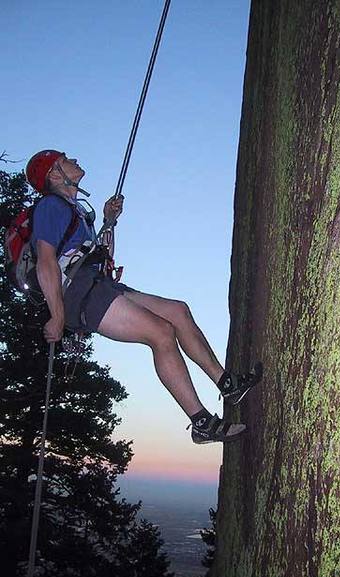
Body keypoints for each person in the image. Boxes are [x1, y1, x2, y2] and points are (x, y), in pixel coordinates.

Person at [26, 150, 262, 444]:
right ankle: (201, 422)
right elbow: (46, 262)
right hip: (80, 294)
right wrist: (57, 315)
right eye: (66, 159)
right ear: (55, 174)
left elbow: (95, 254)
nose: (74, 159)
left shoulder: (75, 211)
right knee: (161, 333)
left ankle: (227, 384)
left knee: (177, 311)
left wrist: (109, 222)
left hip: (98, 285)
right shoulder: (50, 206)